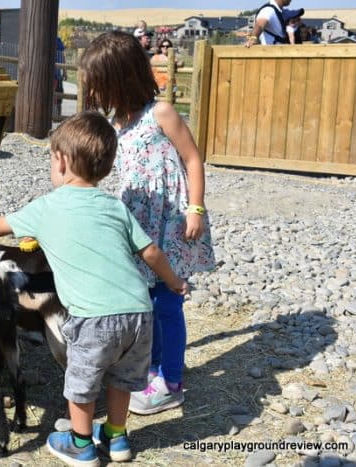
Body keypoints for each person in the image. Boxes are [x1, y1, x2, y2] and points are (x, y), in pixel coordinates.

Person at [0, 111, 188, 467]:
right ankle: (116, 438)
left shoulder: (48, 207)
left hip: (95, 319)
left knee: (82, 382)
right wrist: (174, 282)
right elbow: (150, 251)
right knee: (120, 380)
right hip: (139, 314)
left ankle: (81, 444)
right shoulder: (115, 206)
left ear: (62, 162)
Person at [79, 31, 215, 416]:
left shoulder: (162, 113)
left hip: (171, 223)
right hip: (138, 227)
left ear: (119, 80)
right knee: (145, 303)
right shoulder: (119, 123)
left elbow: (193, 159)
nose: (96, 95)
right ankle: (154, 370)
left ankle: (171, 383)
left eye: (101, 86)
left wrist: (196, 208)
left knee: (167, 303)